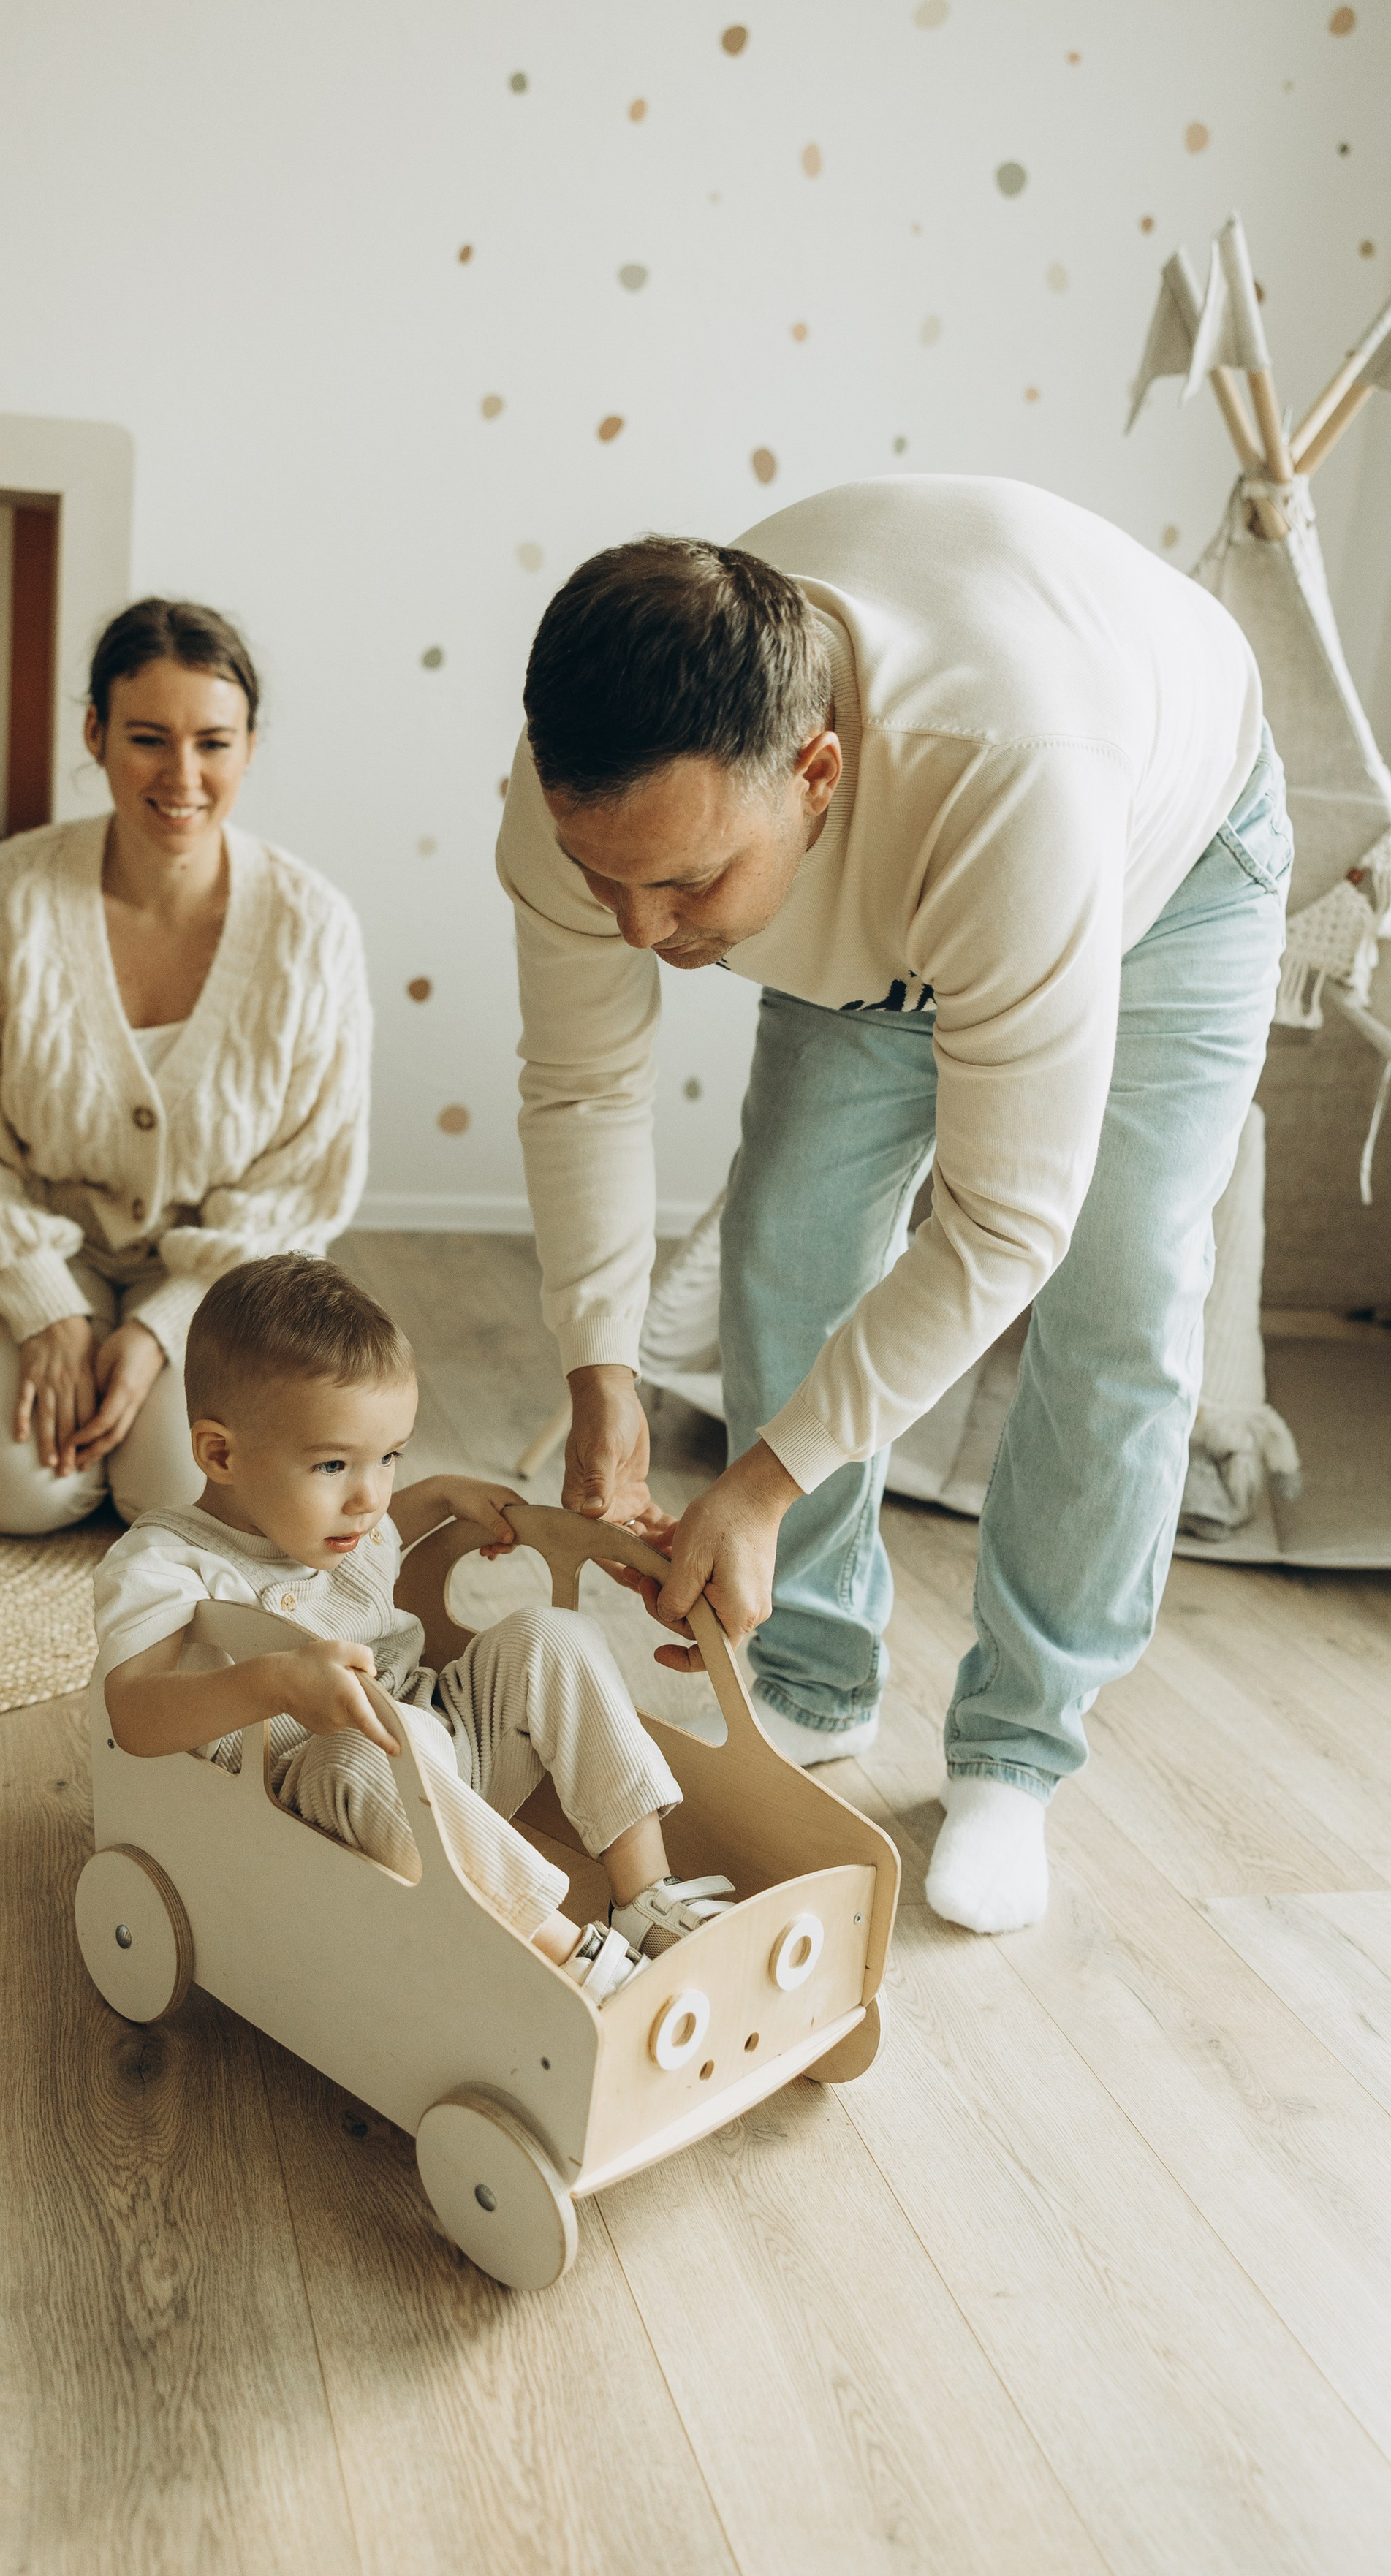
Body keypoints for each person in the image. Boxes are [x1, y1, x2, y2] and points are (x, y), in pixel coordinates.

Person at [498, 476, 1289, 1935]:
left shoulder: (1007, 781)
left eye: (684, 886)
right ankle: (806, 1673)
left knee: (1115, 1295)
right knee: (784, 1237)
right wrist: (599, 1380)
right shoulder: (594, 794)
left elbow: (1001, 1227)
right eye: (596, 880)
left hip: (1161, 863)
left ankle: (1016, 1747)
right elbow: (582, 1092)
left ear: (812, 774)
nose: (640, 935)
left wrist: (757, 1482)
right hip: (887, 880)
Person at [93, 1253, 737, 2002]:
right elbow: (132, 1712)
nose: (369, 1498)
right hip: (319, 1801)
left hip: (442, 1740)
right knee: (359, 1758)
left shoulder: (340, 1521)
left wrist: (437, 1493)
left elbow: (370, 1533)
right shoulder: (163, 1562)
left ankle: (643, 1895)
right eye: (334, 1464)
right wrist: (272, 1682)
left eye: (390, 1457)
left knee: (554, 1634)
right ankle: (569, 1957)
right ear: (220, 1453)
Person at [0, 599, 371, 1535]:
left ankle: (134, 1383)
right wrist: (46, 1310)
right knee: (19, 1493)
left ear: (248, 747)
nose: (182, 777)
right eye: (148, 739)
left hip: (222, 1273)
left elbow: (306, 1179)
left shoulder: (313, 928)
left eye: (213, 743)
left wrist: (163, 1327)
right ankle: (8, 1353)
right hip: (31, 1244)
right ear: (95, 734)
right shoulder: (4, 896)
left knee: (177, 1492)